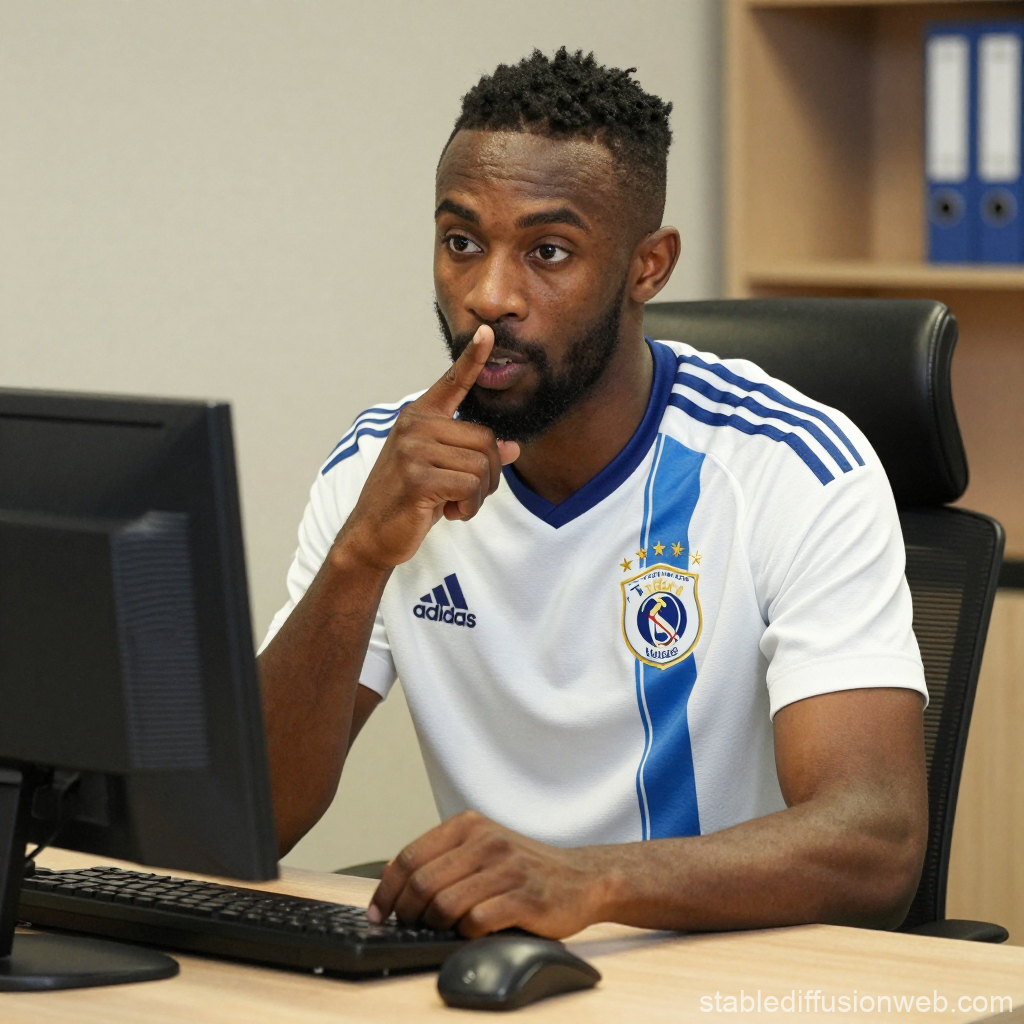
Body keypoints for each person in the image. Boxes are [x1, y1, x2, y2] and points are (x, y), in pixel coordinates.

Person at [258, 48, 928, 940]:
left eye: (548, 251)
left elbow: (876, 842)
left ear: (648, 267)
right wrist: (358, 559)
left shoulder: (790, 466)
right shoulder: (380, 469)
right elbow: (252, 819)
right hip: (491, 981)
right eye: (461, 242)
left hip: (721, 981)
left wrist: (588, 882)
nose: (489, 296)